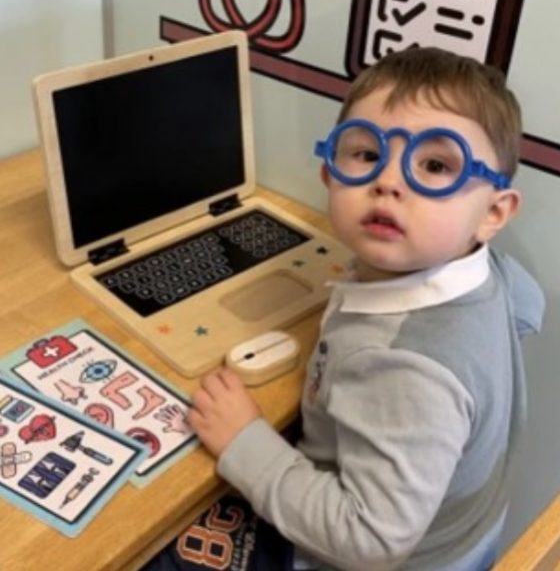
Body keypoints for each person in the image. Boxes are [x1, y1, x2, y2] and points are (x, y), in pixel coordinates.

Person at [143, 47, 545, 571]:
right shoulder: (496, 275)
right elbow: (528, 308)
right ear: (329, 172)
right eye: (367, 154)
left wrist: (244, 441)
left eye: (435, 166)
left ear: (493, 212)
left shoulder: (404, 368)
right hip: (466, 535)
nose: (389, 182)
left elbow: (367, 541)